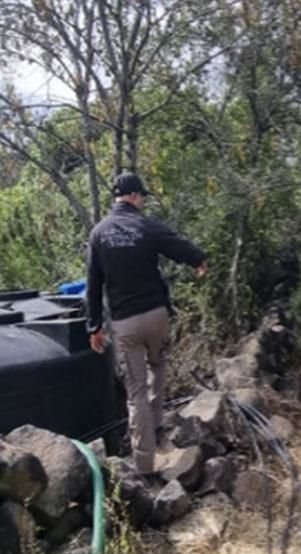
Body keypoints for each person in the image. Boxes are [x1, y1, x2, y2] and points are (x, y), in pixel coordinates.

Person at [86, 171, 208, 476]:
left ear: (116, 198)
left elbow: (93, 283)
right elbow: (176, 244)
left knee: (135, 391)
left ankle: (144, 463)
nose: (142, 201)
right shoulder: (146, 225)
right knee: (157, 365)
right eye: (142, 197)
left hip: (126, 324)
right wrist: (198, 260)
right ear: (135, 197)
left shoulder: (99, 233)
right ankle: (157, 425)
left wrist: (94, 327)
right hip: (156, 316)